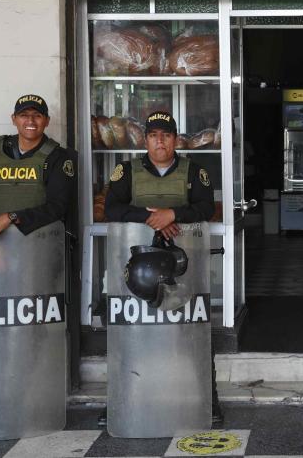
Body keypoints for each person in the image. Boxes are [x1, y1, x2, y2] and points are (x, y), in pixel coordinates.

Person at [104, 110, 222, 423]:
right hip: (135, 271)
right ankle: (118, 399)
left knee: (193, 334)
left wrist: (173, 215)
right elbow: (112, 209)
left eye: (166, 135)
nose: (160, 141)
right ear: (146, 140)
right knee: (129, 334)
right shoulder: (126, 171)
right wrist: (149, 217)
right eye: (154, 135)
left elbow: (206, 208)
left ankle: (207, 400)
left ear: (175, 140)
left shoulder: (194, 171)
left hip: (182, 268)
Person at [0, 94, 77, 240]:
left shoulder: (58, 156)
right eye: (24, 115)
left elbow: (57, 207)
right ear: (13, 119)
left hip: (40, 243)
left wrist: (11, 217)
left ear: (47, 121)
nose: (30, 121)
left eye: (37, 115)